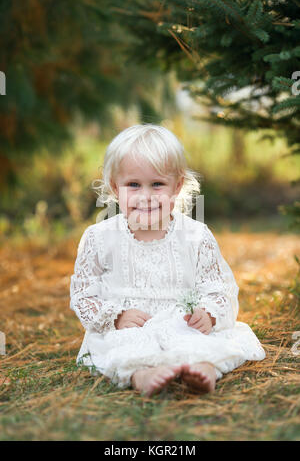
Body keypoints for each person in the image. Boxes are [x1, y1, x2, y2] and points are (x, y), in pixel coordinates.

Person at [69, 124, 265, 396]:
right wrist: (115, 317)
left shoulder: (196, 236)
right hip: (130, 327)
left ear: (177, 187)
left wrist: (207, 313)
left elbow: (217, 287)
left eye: (157, 184)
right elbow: (83, 294)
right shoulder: (99, 238)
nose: (146, 196)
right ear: (116, 188)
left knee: (208, 343)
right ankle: (142, 375)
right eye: (133, 185)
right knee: (122, 346)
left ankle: (206, 370)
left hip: (182, 323)